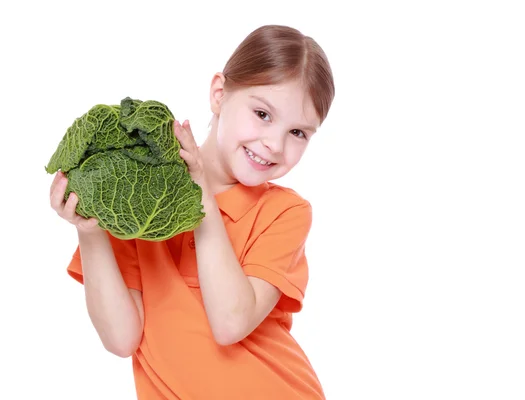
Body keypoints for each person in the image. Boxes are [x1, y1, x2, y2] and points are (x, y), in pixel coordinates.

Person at [48, 24, 335, 399]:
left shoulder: (286, 213)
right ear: (219, 94)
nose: (274, 144)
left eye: (299, 133)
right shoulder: (139, 203)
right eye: (263, 114)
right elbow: (121, 339)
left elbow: (231, 322)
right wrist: (89, 231)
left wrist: (200, 189)